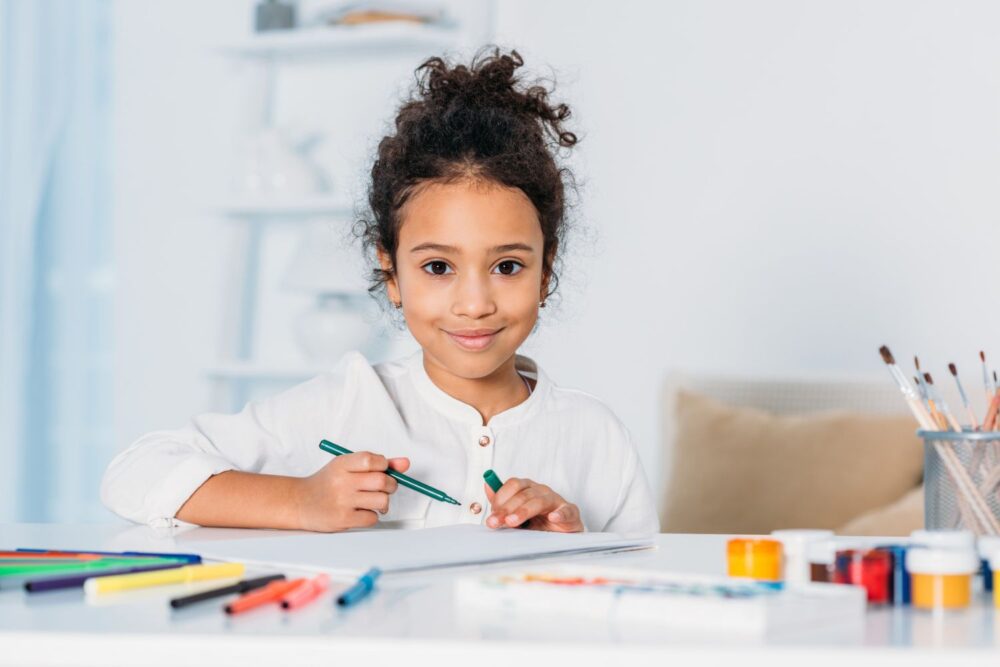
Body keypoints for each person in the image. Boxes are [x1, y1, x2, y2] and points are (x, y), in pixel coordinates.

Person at [101, 49, 658, 536]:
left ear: (545, 270)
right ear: (391, 274)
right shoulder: (352, 402)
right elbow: (134, 473)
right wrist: (300, 501)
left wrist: (576, 548)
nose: (474, 303)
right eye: (439, 267)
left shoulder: (594, 435)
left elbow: (646, 600)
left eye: (507, 265)